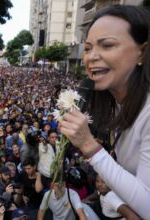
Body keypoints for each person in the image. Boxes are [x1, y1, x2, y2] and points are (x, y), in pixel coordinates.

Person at [59, 5, 150, 219]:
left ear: (142, 52)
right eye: (88, 48)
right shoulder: (119, 106)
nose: (91, 57)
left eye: (107, 45)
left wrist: (89, 146)